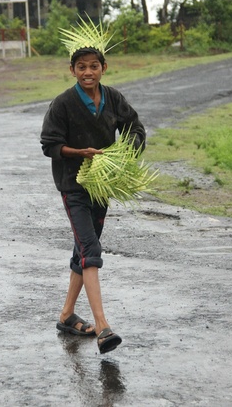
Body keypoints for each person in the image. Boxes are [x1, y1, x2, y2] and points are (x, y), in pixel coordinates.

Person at [40, 18, 146, 354]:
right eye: (82, 67)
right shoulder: (62, 104)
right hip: (73, 186)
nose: (89, 72)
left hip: (102, 186)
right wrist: (80, 152)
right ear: (72, 70)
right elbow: (49, 144)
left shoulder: (113, 98)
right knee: (92, 251)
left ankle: (67, 315)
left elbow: (135, 128)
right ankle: (103, 327)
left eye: (94, 66)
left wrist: (125, 154)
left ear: (104, 68)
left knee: (83, 251)